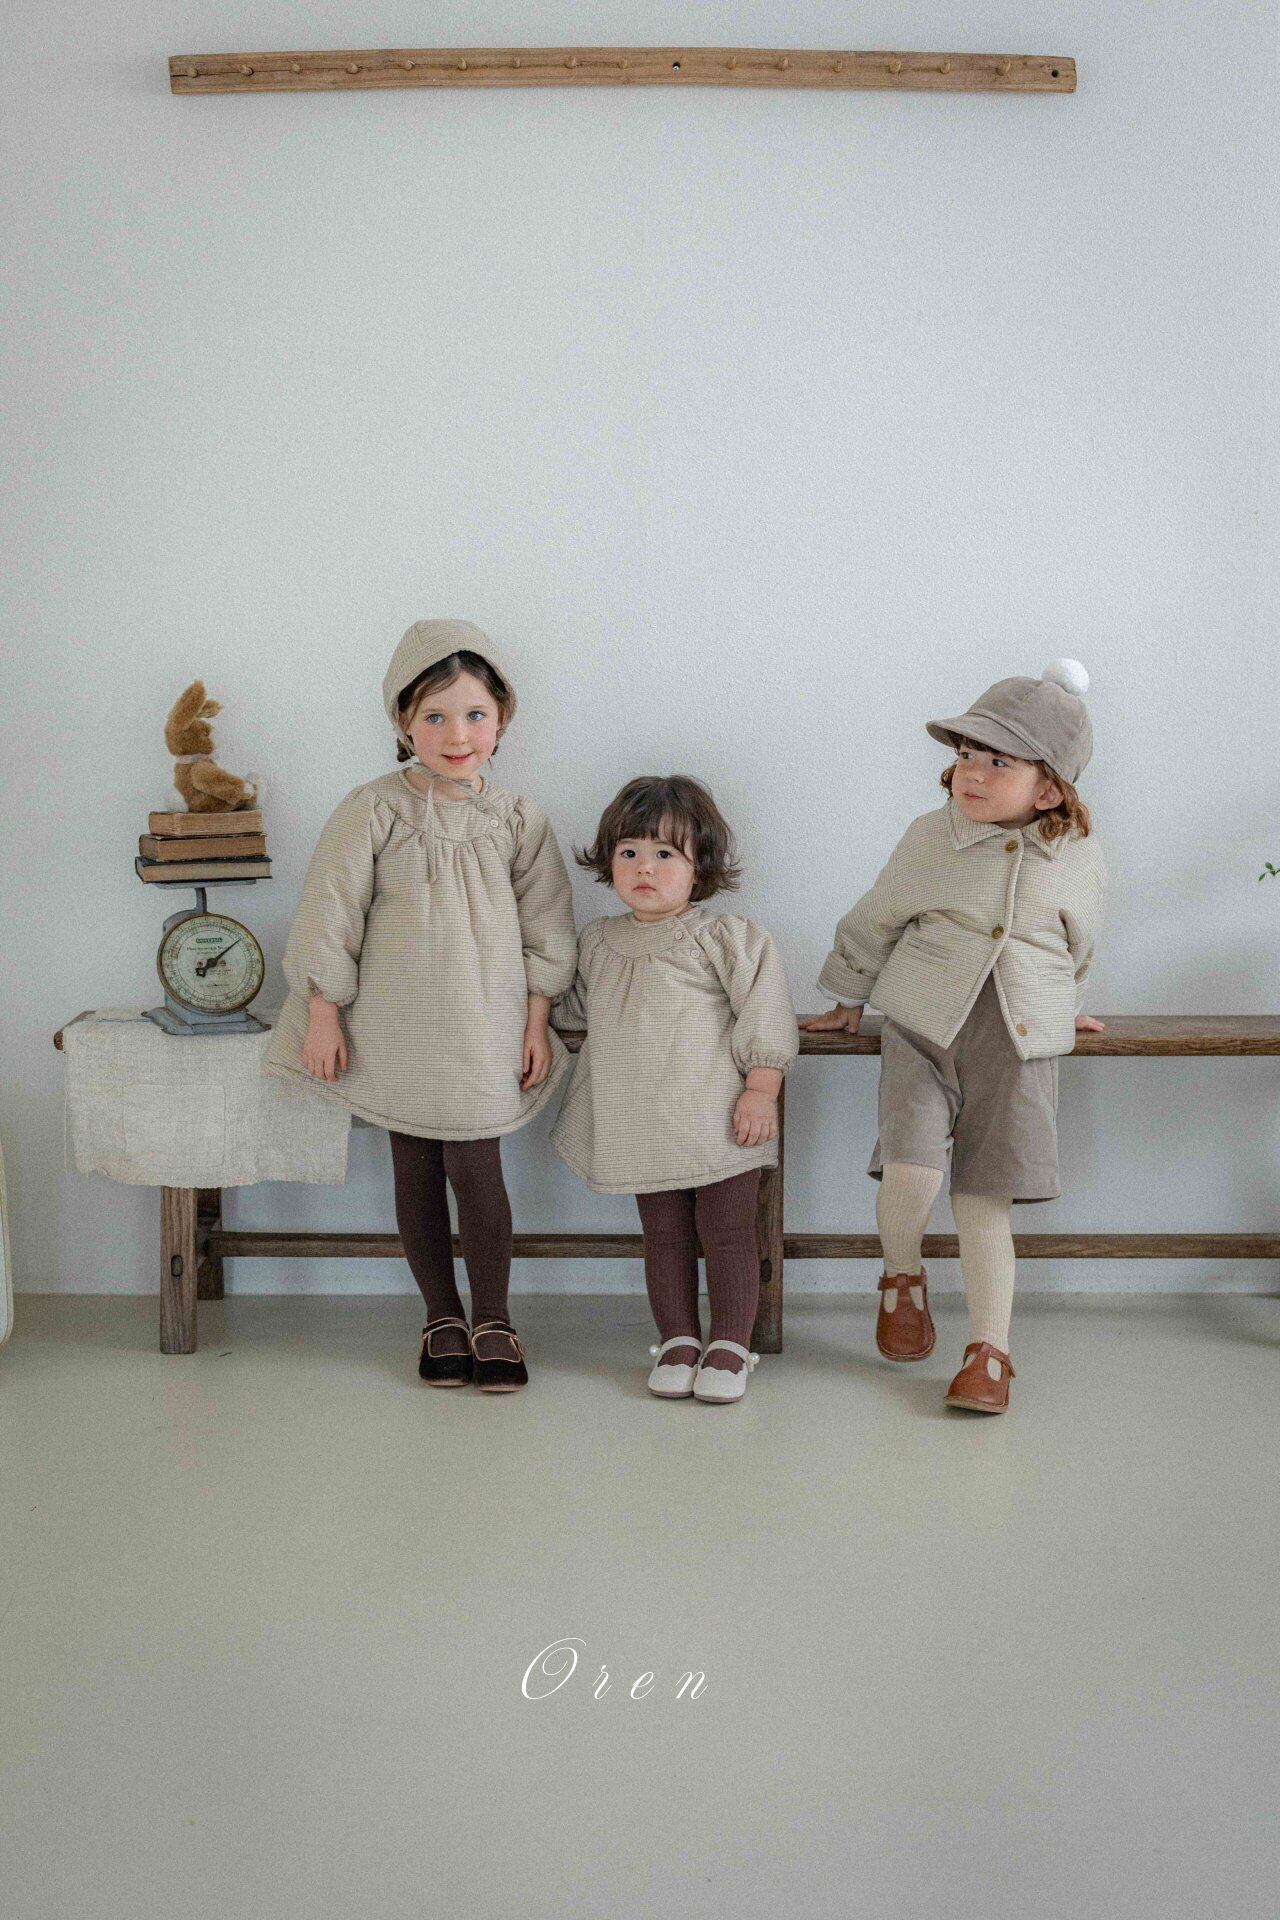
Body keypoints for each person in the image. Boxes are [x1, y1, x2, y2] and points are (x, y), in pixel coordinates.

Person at [264, 619, 577, 1392]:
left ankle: (494, 1318)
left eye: (473, 714)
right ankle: (441, 1315)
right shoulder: (373, 809)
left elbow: (547, 926)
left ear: (501, 718)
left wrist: (538, 1021)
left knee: (477, 1166)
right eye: (434, 715)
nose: (456, 734)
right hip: (395, 1023)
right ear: (403, 721)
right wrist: (324, 1013)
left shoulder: (519, 819)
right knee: (414, 1167)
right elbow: (331, 912)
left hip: (485, 1026)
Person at [801, 661, 1107, 1414]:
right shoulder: (931, 838)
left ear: (1048, 789)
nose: (971, 773)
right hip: (923, 1026)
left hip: (1020, 1044)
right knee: (911, 1172)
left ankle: (989, 1352)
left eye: (997, 762)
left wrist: (1065, 1005)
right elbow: (877, 916)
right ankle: (901, 1275)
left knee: (984, 1199)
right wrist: (847, 995)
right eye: (967, 755)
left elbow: (1080, 944)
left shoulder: (1076, 857)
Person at [552, 775, 798, 1404]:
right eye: (629, 851)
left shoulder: (726, 938)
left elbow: (766, 1013)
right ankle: (678, 1340)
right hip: (639, 1120)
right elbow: (573, 1011)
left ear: (699, 866)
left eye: (665, 853)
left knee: (727, 1230)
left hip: (718, 1118)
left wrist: (761, 1087)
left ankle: (731, 1344)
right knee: (663, 1235)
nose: (645, 867)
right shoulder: (597, 943)